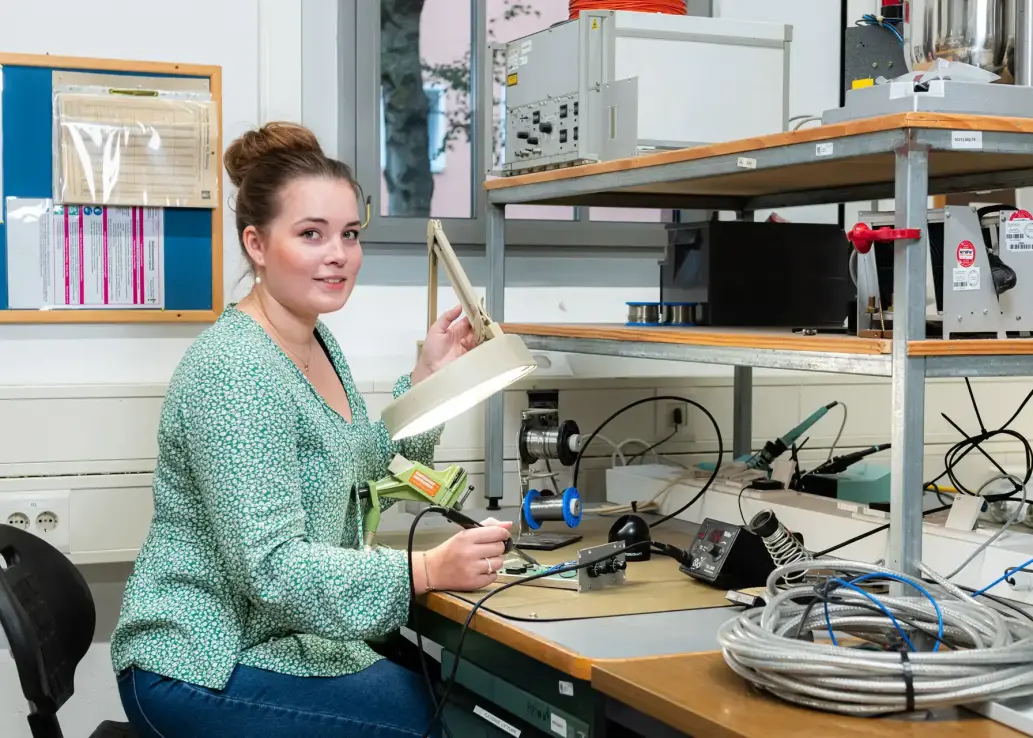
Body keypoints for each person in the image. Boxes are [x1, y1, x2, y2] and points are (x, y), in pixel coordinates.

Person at [110, 122, 512, 738]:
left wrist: (426, 377)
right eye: (311, 234)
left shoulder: (312, 338)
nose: (339, 255)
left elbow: (364, 464)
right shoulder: (235, 370)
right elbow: (272, 570)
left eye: (350, 234)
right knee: (448, 723)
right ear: (257, 244)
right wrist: (426, 570)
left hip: (279, 640)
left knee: (460, 697)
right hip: (200, 662)